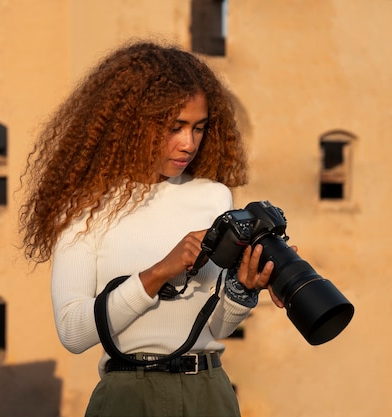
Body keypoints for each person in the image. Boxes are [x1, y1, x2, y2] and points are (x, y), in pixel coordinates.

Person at [19, 40, 283, 417]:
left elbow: (217, 328)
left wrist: (243, 289)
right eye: (174, 127)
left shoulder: (214, 198)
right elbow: (74, 333)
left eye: (199, 128)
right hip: (128, 396)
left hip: (209, 391)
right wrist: (159, 273)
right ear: (131, 123)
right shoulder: (84, 208)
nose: (188, 143)